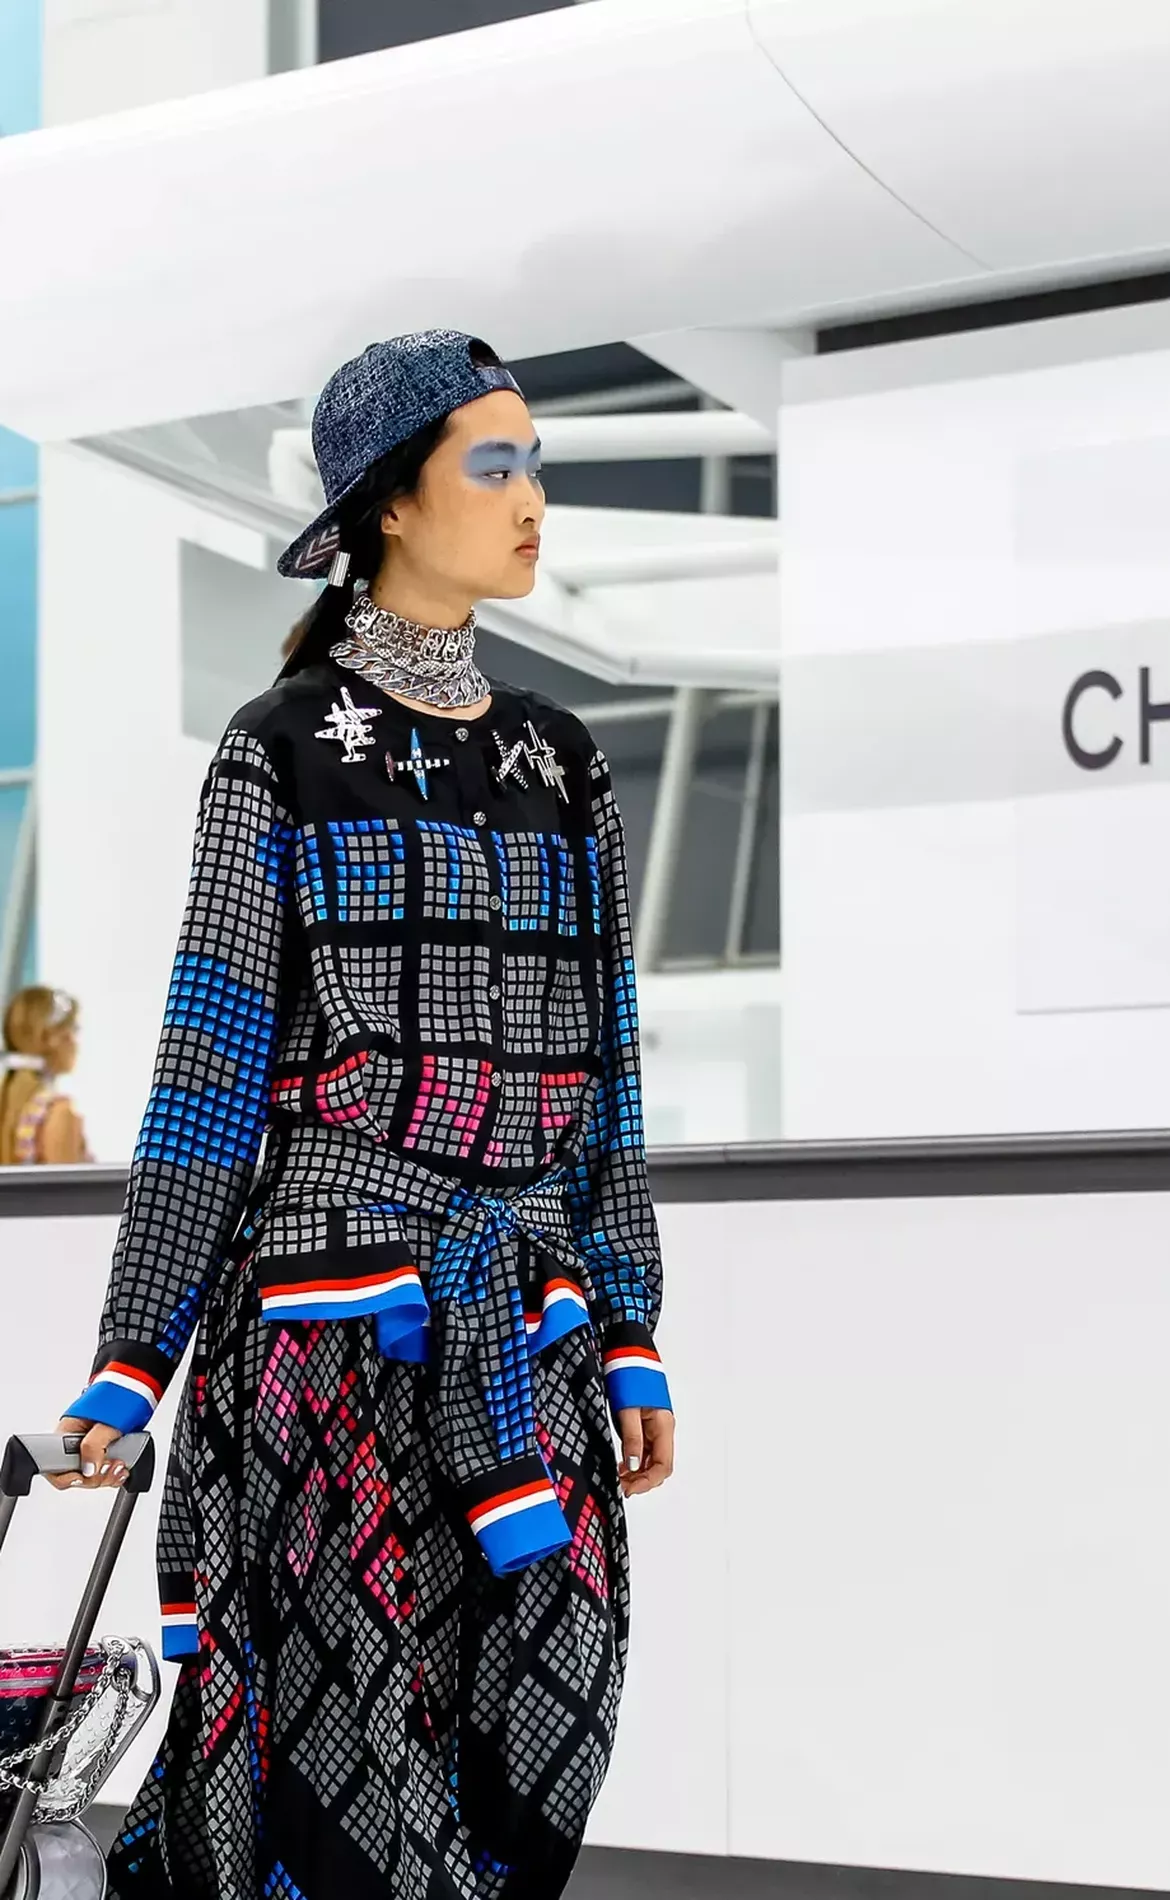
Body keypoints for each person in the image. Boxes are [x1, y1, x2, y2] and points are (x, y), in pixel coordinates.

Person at [48, 332, 675, 1899]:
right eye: (497, 463)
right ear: (388, 504)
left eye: (540, 464)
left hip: (525, 1336)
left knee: (551, 1725)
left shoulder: (562, 761)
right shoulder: (279, 755)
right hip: (332, 1345)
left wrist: (632, 1327)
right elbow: (205, 1082)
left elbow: (607, 1081)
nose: (535, 499)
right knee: (348, 1779)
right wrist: (134, 1364)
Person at [0, 985, 92, 1164]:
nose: (75, 1041)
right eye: (72, 1028)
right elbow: (69, 1191)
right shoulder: (58, 1112)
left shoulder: (7, 1103)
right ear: (50, 1038)